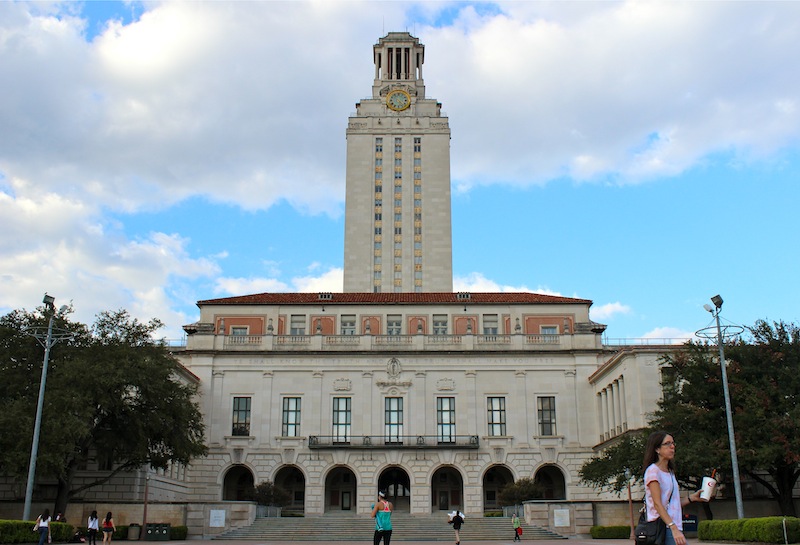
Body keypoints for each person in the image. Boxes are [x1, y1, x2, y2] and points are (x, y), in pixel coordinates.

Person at [643, 431, 708, 545]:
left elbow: (671, 504)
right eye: (667, 444)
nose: (672, 446)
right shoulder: (653, 471)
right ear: (657, 449)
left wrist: (691, 498)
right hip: (664, 526)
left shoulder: (670, 473)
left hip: (673, 526)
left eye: (673, 443)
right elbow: (657, 504)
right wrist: (673, 528)